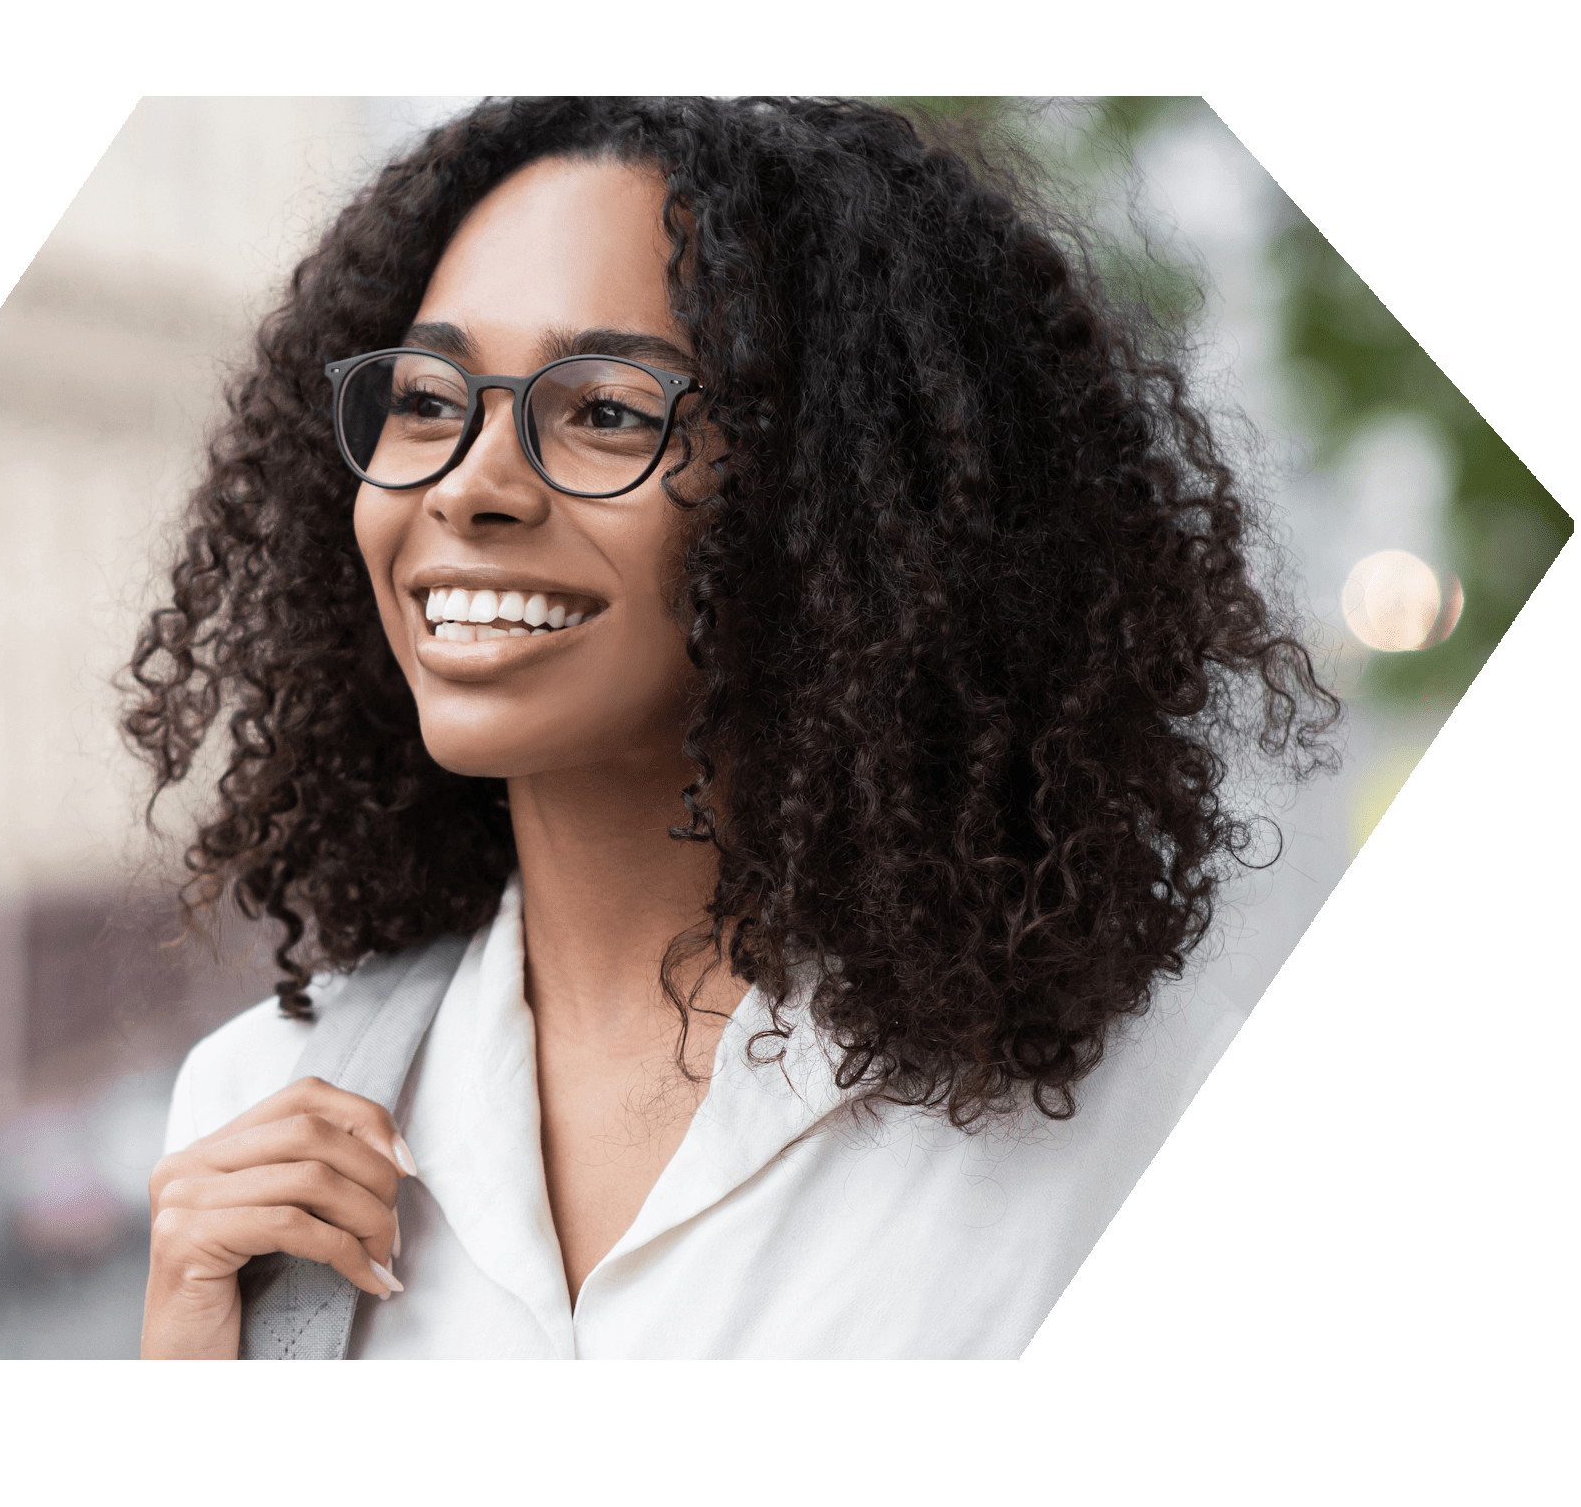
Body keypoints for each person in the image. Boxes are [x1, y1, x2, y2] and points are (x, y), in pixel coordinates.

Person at [127, 96, 1337, 1359]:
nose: (471, 484)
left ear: (835, 500)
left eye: (606, 411)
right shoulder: (256, 1109)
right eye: (428, 399)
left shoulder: (1143, 1126)